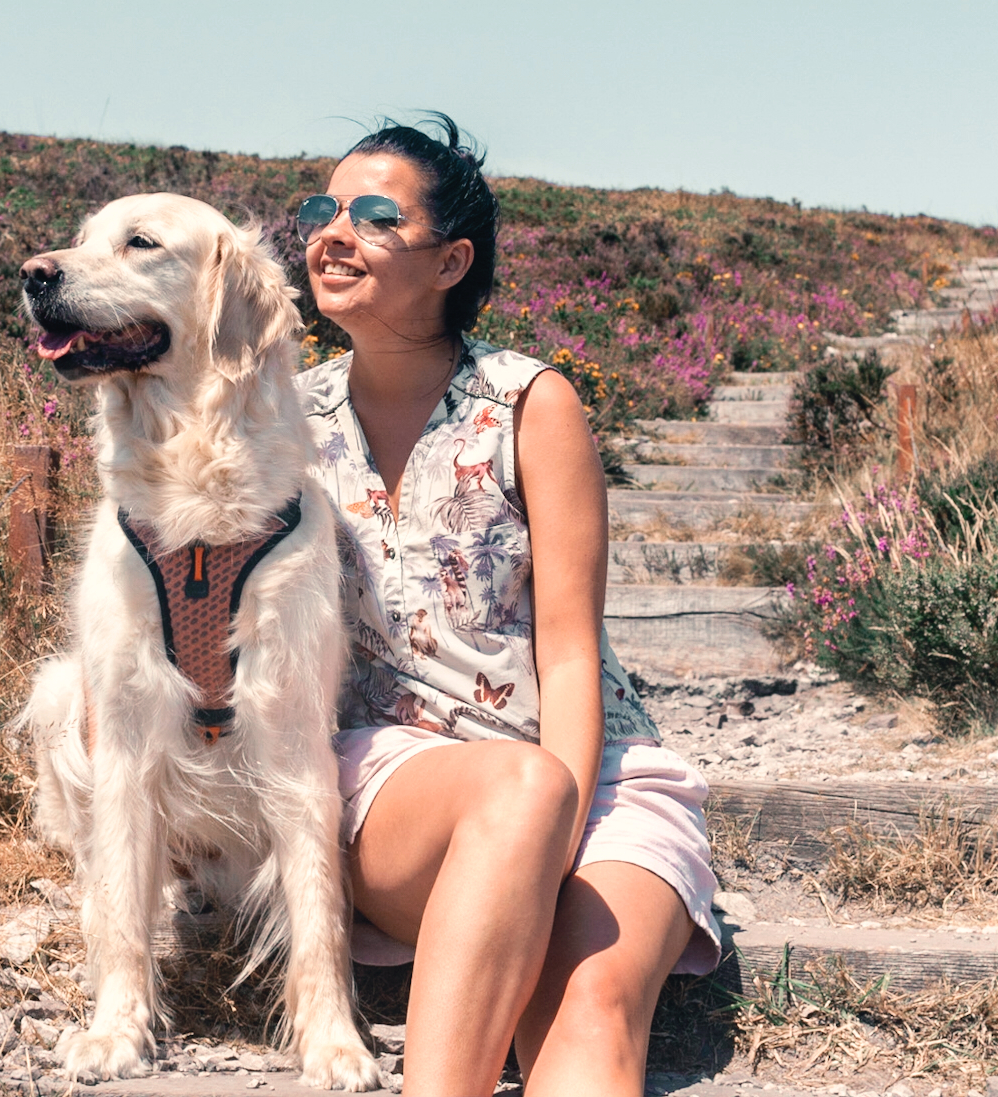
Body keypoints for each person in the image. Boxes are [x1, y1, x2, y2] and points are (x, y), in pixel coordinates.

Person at [294, 117, 721, 1097]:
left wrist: (553, 840)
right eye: (321, 209)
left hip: (588, 767)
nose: (330, 232)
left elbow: (569, 652)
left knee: (590, 1008)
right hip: (397, 772)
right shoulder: (282, 418)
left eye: (371, 215)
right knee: (513, 793)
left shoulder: (531, 403)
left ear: (450, 261)